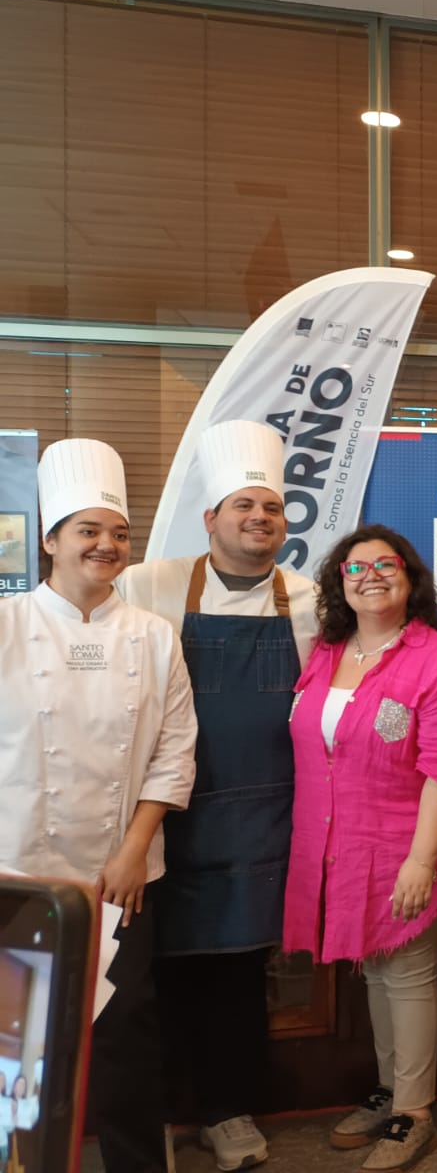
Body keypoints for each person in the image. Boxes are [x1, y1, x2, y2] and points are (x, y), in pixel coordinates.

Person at [117, 419, 318, 1170]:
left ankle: (230, 1111)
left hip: (261, 819)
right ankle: (164, 1109)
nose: (258, 519)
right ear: (211, 519)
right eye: (243, 507)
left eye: (270, 507)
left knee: (237, 971)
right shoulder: (150, 583)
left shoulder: (308, 599)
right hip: (163, 815)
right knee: (155, 972)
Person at [0, 438, 197, 1173]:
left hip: (123, 876)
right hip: (17, 871)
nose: (107, 545)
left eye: (118, 532)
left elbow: (174, 750)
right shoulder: (7, 627)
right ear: (50, 538)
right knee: (17, 1043)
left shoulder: (154, 636)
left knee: (125, 1042)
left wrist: (134, 851)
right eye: (88, 530)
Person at [283, 524, 437, 1173]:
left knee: (408, 974)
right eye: (354, 566)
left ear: (411, 577)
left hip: (407, 843)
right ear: (339, 581)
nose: (369, 574)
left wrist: (424, 861)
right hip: (340, 844)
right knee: (374, 970)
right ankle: (393, 1090)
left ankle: (414, 1113)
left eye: (385, 564)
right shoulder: (327, 651)